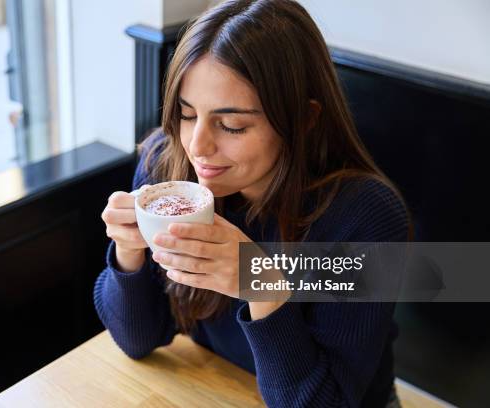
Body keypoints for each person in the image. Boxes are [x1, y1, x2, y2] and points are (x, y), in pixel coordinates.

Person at [95, 0, 411, 406]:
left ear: (303, 119)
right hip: (217, 385)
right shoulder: (166, 164)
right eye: (187, 114)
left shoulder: (364, 216)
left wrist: (261, 285)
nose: (198, 147)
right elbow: (137, 340)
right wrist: (128, 252)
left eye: (232, 125)